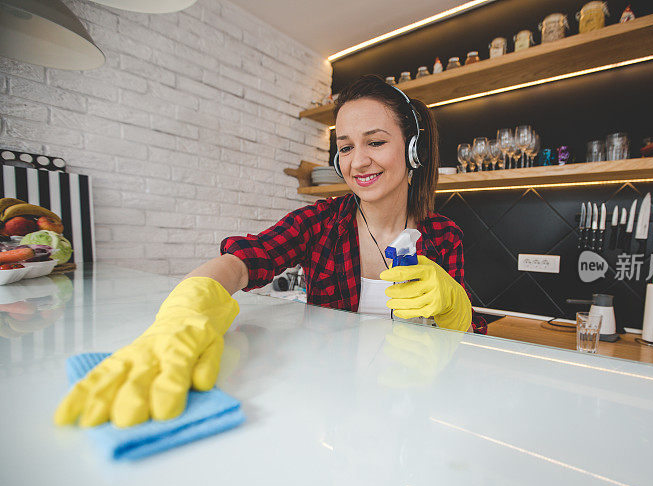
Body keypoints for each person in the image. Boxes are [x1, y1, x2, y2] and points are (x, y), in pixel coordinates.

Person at [53, 75, 486, 429]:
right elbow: (244, 261)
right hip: (332, 395)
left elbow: (463, 346)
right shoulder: (321, 223)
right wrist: (183, 312)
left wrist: (455, 309)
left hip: (411, 403)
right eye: (347, 147)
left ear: (413, 150)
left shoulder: (444, 234)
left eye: (375, 142)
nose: (358, 162)